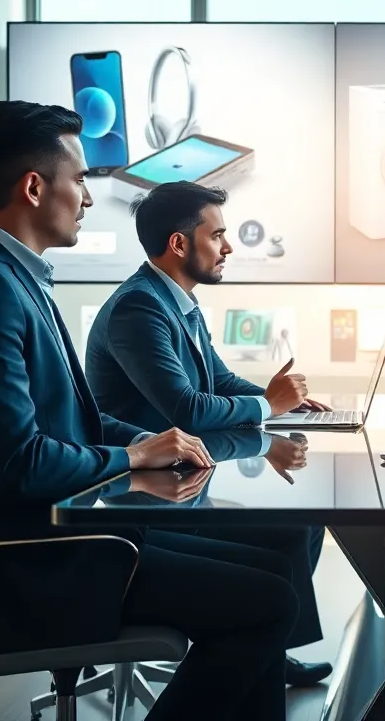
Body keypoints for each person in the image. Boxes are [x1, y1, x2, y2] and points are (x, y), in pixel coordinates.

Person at [0, 100, 298, 720]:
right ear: (34, 188)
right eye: (81, 179)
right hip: (34, 567)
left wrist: (157, 443)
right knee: (270, 602)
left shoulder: (9, 277)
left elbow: (74, 418)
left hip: (66, 541)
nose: (90, 197)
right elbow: (20, 462)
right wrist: (135, 456)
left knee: (274, 567)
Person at [85, 180, 333, 686]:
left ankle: (268, 652)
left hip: (183, 479)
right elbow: (187, 409)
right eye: (217, 235)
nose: (228, 247)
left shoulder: (177, 302)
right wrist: (268, 404)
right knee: (288, 533)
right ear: (179, 244)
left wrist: (283, 405)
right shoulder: (139, 308)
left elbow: (218, 381)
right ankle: (262, 650)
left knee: (302, 525)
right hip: (150, 496)